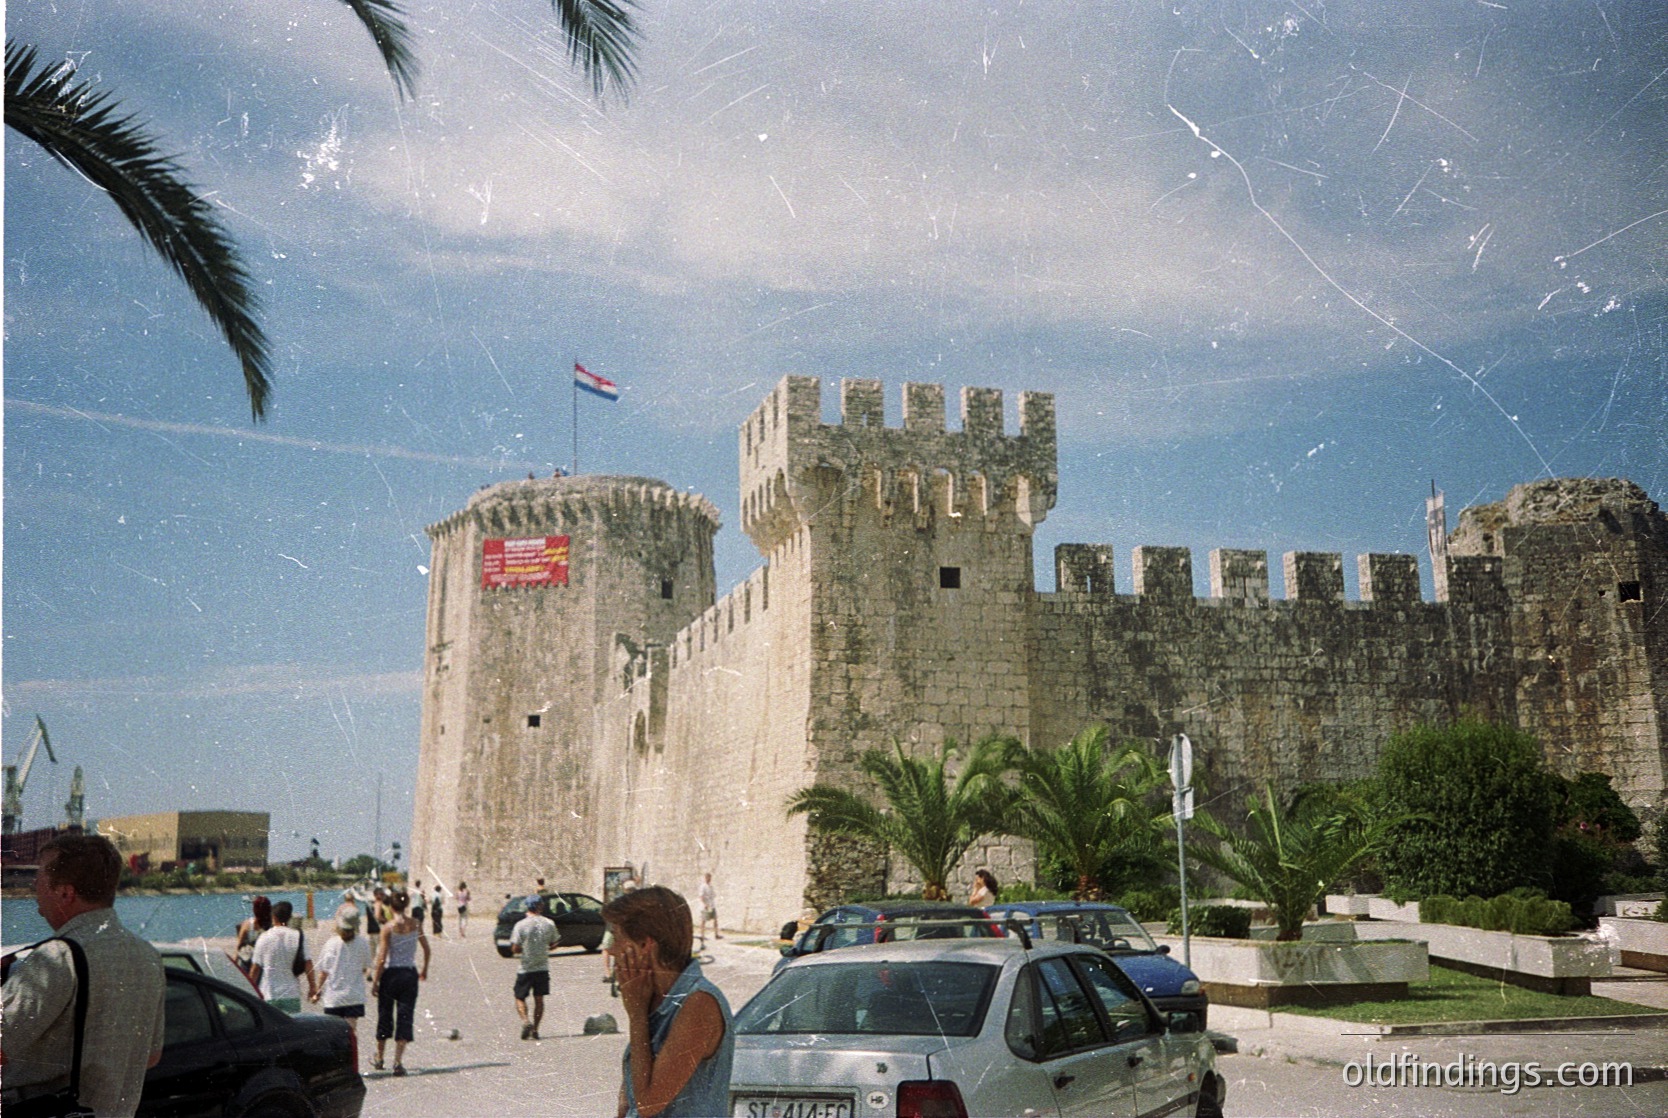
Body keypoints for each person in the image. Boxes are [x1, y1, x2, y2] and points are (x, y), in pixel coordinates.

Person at [0, 833, 167, 1117]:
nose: (33, 886)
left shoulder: (56, 957)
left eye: (39, 879)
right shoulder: (147, 956)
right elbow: (151, 1057)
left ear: (66, 893)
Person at [605, 885, 733, 1118]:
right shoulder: (652, 1001)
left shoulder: (699, 1003)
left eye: (617, 937)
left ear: (645, 946)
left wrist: (636, 1016)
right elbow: (629, 1102)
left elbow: (647, 1104)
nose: (611, 950)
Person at [371, 888, 429, 1075]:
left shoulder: (388, 927)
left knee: (385, 1014)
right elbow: (427, 950)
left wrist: (375, 980)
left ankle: (380, 1058)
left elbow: (382, 957)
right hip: (409, 973)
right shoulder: (416, 924)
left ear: (391, 905)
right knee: (405, 1015)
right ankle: (398, 1061)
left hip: (391, 974)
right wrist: (424, 969)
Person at [311, 907, 374, 1058]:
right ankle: (352, 1062)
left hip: (333, 997)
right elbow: (367, 967)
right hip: (354, 995)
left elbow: (323, 972)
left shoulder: (331, 944)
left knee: (333, 1035)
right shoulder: (362, 943)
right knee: (351, 1032)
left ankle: (338, 1064)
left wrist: (318, 991)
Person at [249, 900, 316, 1013]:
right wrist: (312, 987)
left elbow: (255, 969)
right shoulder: (297, 936)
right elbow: (308, 963)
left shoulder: (264, 937)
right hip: (291, 994)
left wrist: (249, 990)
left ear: (273, 917)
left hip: (269, 993)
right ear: (289, 917)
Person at [509, 895, 559, 1040]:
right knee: (539, 999)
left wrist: (525, 949)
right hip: (542, 967)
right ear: (540, 907)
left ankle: (525, 1021)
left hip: (525, 967)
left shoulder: (521, 925)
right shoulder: (549, 923)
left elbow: (515, 948)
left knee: (519, 996)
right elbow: (554, 944)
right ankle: (536, 1029)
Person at [234, 894, 273, 975]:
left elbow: (239, 945)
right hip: (266, 963)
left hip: (248, 963)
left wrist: (235, 961)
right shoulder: (272, 925)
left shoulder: (248, 924)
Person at [696, 872, 722, 943]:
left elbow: (713, 895)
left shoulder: (711, 886)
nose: (709, 879)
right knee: (703, 921)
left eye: (710, 878)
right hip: (705, 906)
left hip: (712, 905)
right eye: (707, 878)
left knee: (715, 919)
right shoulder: (703, 886)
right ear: (705, 878)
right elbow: (701, 896)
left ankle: (716, 934)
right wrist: (705, 904)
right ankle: (702, 935)